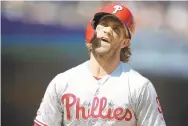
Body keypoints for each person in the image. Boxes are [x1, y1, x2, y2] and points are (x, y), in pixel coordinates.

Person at [33, 3, 166, 126]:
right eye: (104, 24)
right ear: (95, 30)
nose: (107, 30)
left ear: (124, 43)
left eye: (116, 29)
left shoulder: (139, 87)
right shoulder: (62, 82)